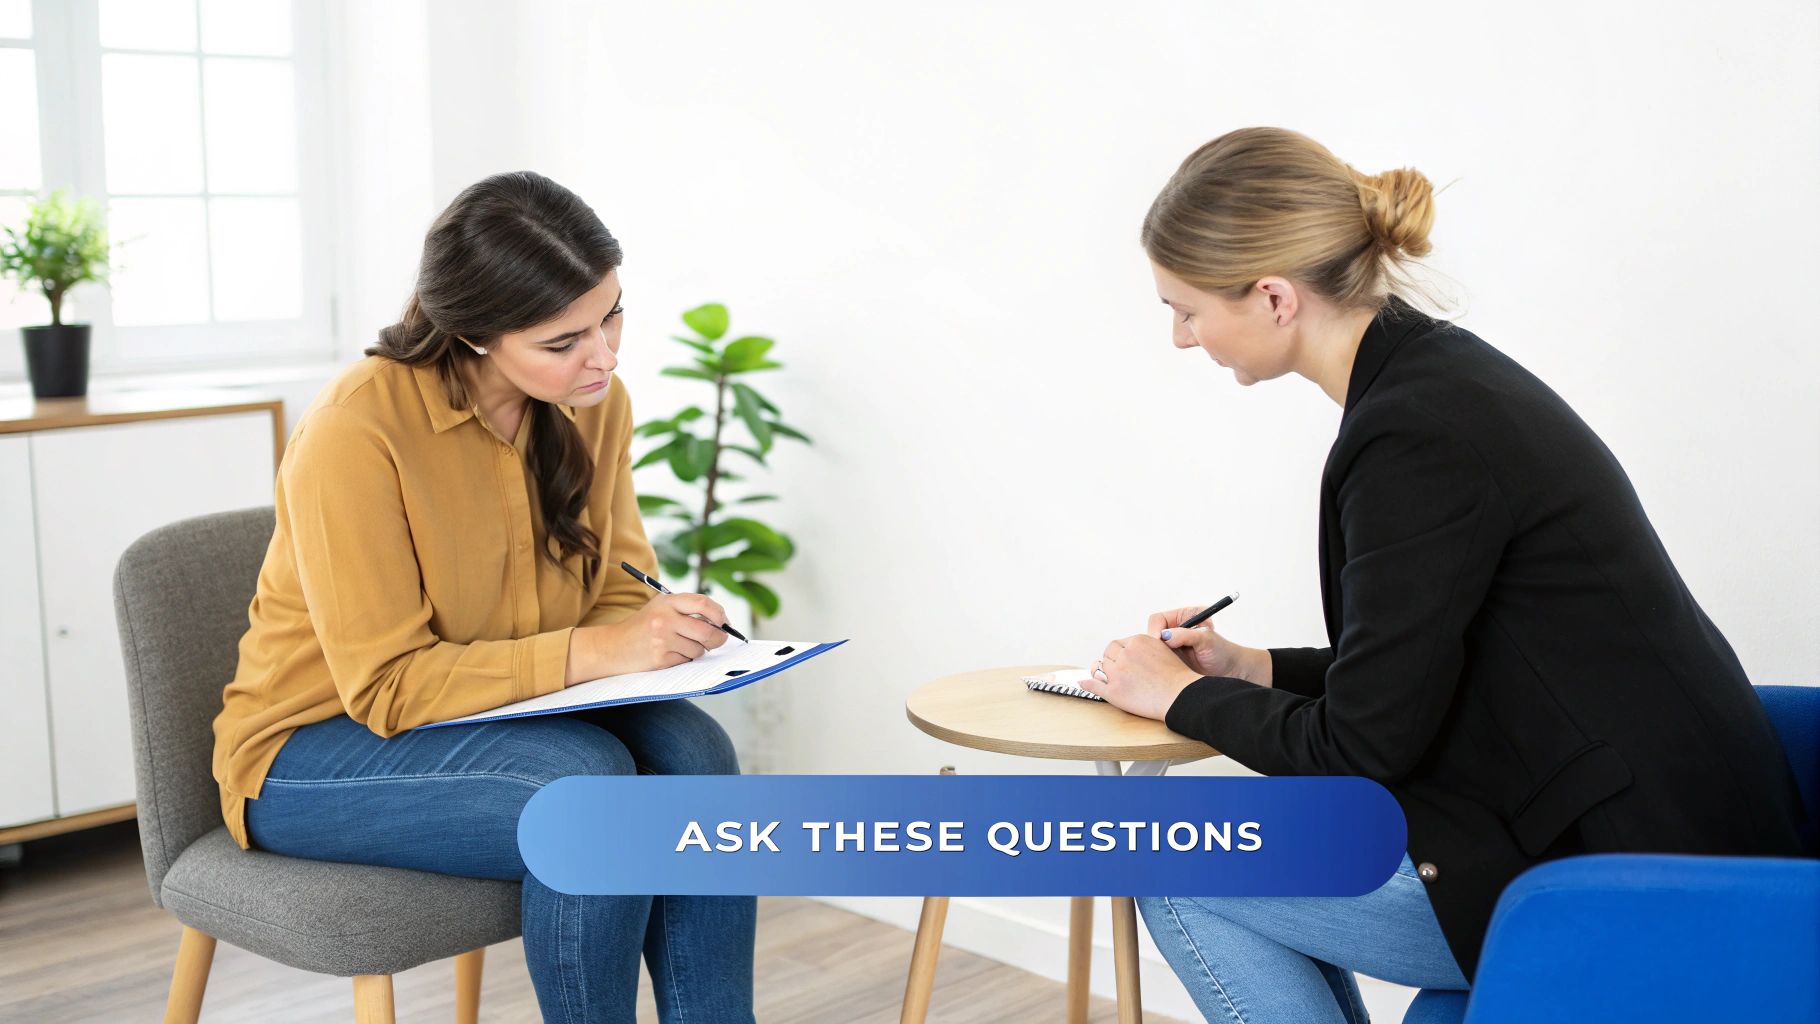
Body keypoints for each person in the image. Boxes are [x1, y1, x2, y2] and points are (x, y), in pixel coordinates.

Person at [1078, 127, 1812, 1023]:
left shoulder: (1413, 437)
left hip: (1621, 879)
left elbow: (1360, 750)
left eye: (1186, 309)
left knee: (1170, 862)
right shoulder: (1437, 379)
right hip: (1632, 825)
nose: (1182, 339)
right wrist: (1253, 668)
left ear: (1272, 296)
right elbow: (1420, 666)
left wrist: (1179, 700)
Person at [211, 171, 756, 1023]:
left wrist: (657, 627)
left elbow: (616, 582)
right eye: (563, 339)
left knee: (697, 755)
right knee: (587, 797)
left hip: (504, 715)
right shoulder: (357, 431)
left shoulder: (590, 403)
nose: (604, 354)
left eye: (612, 313)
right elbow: (387, 687)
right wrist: (604, 649)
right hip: (313, 749)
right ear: (472, 336)